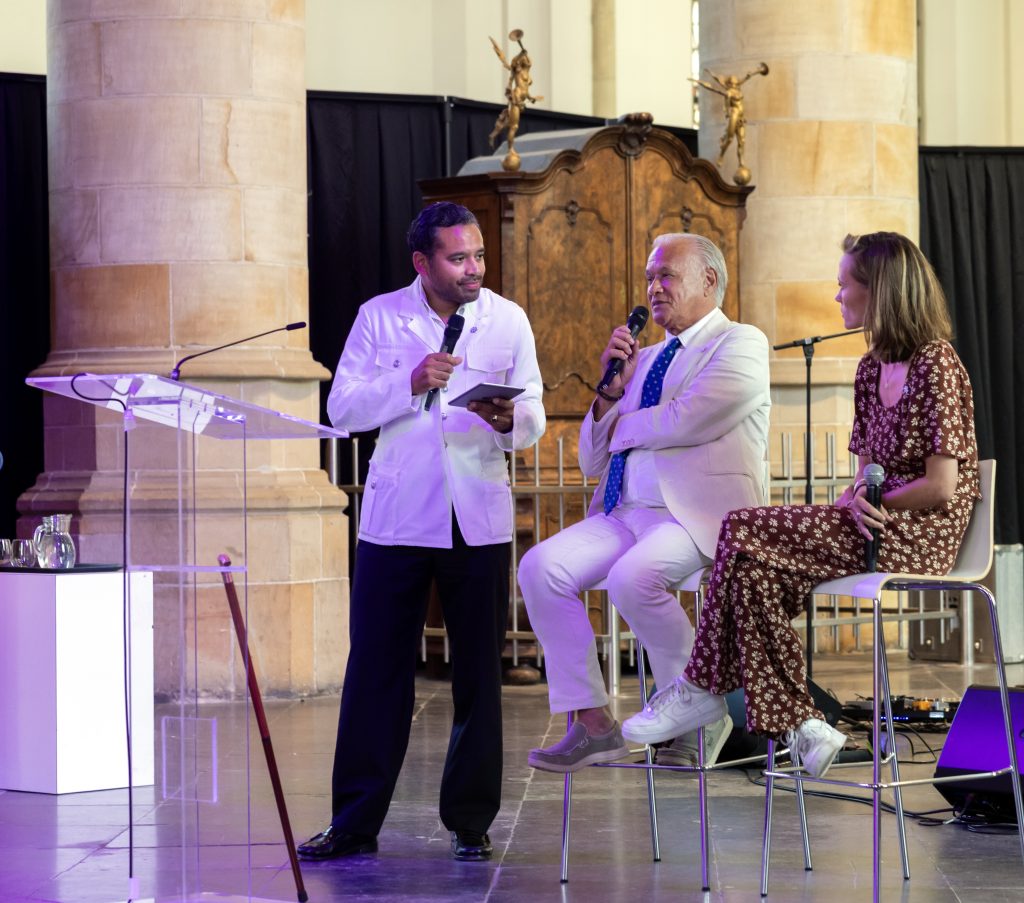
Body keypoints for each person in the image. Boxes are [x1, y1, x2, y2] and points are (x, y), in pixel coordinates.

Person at [621, 231, 979, 781]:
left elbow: (942, 486)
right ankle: (806, 729)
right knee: (750, 580)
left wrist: (868, 502)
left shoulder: (937, 363)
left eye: (844, 285)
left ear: (879, 291)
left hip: (920, 533)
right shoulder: (868, 369)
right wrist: (853, 500)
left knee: (739, 526)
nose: (837, 297)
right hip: (868, 524)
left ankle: (699, 685)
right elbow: (863, 478)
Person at [299, 202, 545, 862]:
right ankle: (353, 819)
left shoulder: (507, 319)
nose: (474, 269)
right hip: (398, 518)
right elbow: (343, 406)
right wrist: (408, 382)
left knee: (477, 675)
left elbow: (535, 417)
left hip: (477, 519)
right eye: (458, 258)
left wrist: (505, 419)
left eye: (479, 257)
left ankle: (471, 819)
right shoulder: (380, 316)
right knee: (377, 671)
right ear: (422, 262)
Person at [518, 233, 771, 773]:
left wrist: (624, 425)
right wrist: (609, 392)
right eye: (650, 278)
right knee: (540, 567)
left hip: (696, 515)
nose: (654, 288)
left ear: (709, 280)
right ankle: (592, 722)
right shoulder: (645, 358)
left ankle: (701, 717)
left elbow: (692, 417)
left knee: (635, 577)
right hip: (625, 513)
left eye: (667, 276)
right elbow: (592, 458)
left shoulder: (740, 342)